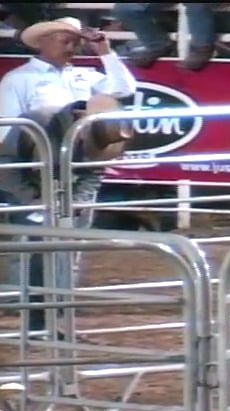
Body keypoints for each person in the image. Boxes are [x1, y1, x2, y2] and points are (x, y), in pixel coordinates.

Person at [0, 16, 136, 336]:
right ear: (44, 41)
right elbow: (7, 134)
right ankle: (33, 319)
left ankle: (55, 318)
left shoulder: (86, 75)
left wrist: (104, 51)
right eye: (65, 39)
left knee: (69, 245)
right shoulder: (18, 80)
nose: (72, 45)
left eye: (76, 40)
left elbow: (124, 88)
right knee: (34, 245)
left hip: (77, 166)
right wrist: (29, 192)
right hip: (32, 167)